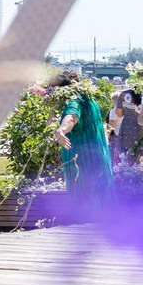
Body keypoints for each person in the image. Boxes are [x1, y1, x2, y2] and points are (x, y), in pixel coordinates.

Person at [51, 74, 116, 204]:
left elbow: (71, 117)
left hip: (80, 156)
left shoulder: (73, 102)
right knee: (100, 189)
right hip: (98, 153)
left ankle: (84, 218)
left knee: (83, 191)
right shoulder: (89, 100)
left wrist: (61, 130)